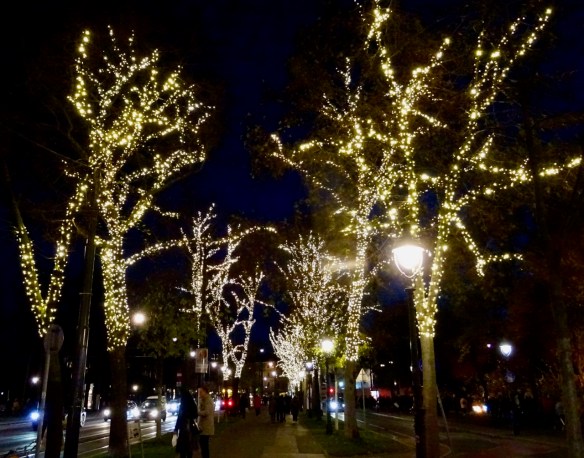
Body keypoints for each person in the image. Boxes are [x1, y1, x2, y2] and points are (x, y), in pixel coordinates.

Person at [173, 387, 199, 458]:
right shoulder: (192, 403)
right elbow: (195, 414)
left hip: (184, 428)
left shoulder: (183, 404)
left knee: (183, 448)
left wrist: (176, 428)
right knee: (189, 448)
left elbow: (180, 417)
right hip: (190, 426)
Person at [198, 384, 215, 458]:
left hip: (206, 427)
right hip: (203, 427)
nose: (199, 394)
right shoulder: (202, 400)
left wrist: (197, 412)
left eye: (201, 392)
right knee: (203, 445)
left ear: (205, 392)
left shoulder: (208, 400)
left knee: (204, 446)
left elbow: (206, 412)